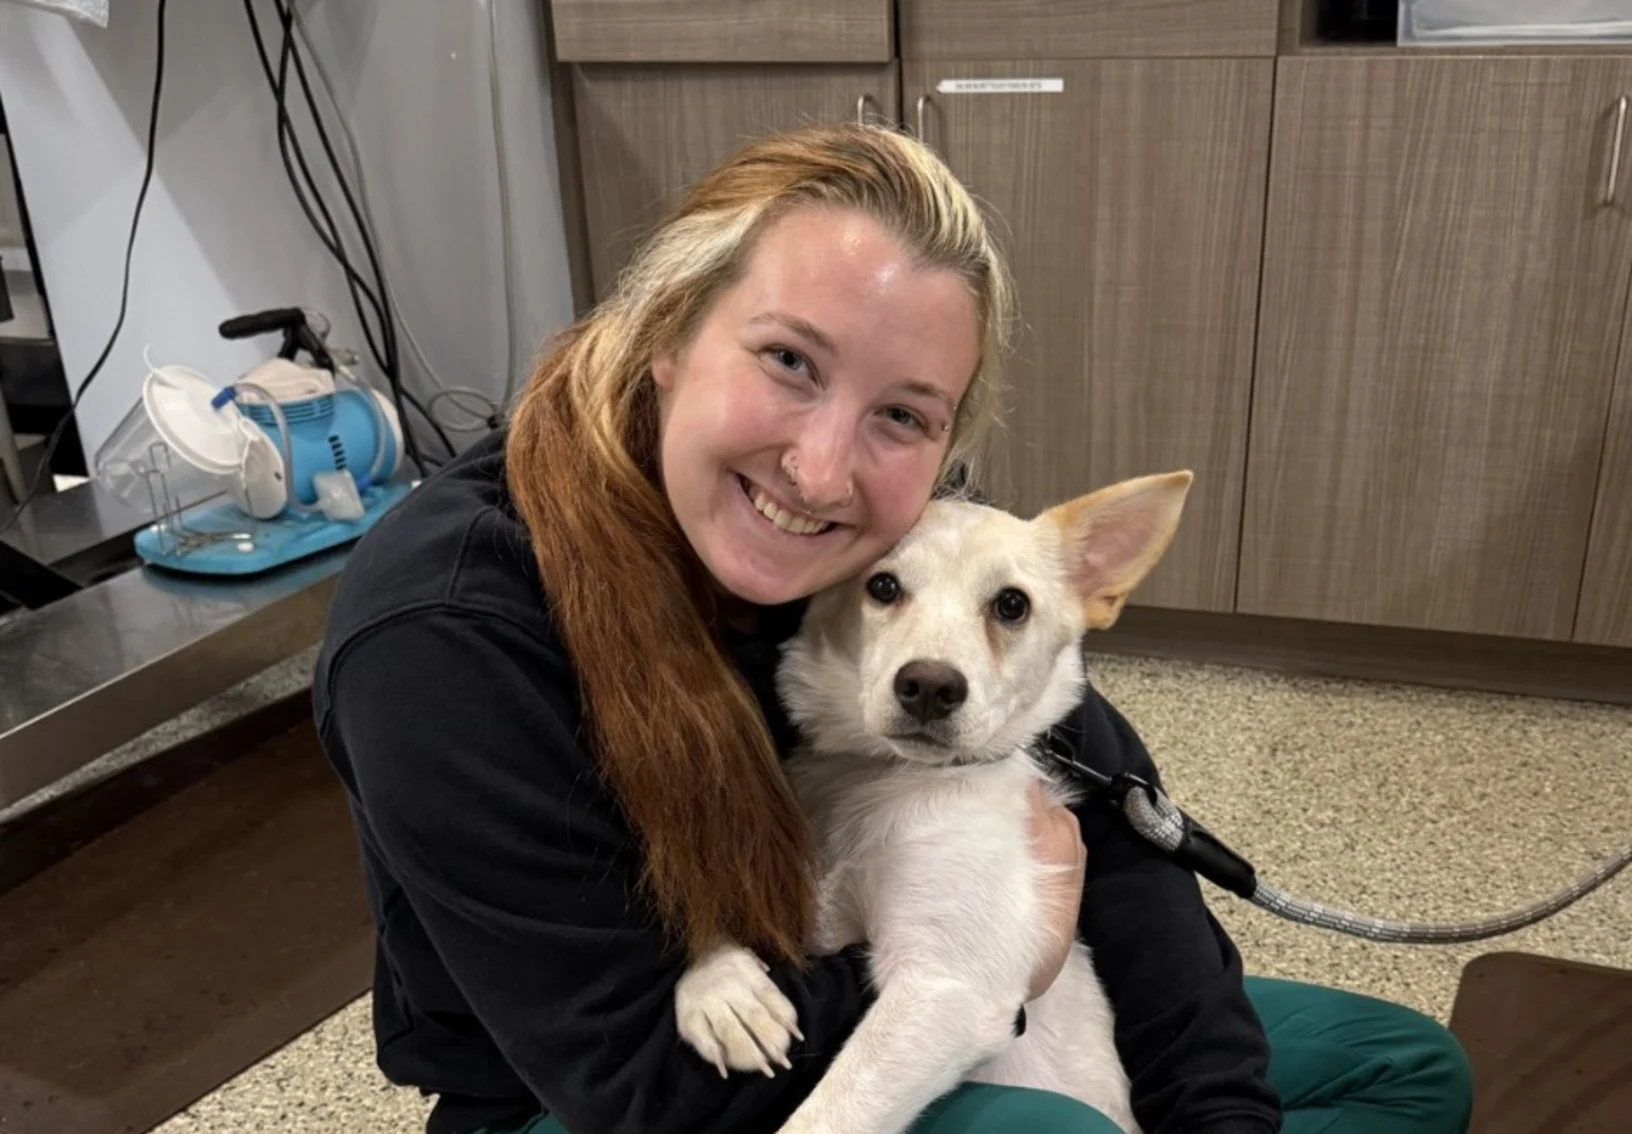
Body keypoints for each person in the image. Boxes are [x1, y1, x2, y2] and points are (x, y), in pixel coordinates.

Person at [313, 123, 1474, 1134]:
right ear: (665, 336)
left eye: (901, 415)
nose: (820, 470)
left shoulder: (895, 532)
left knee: (1400, 1070)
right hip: (609, 1087)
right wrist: (1004, 963)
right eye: (786, 360)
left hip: (903, 978)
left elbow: (1114, 828)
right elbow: (638, 1085)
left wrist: (1215, 1112)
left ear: (943, 444)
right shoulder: (445, 634)